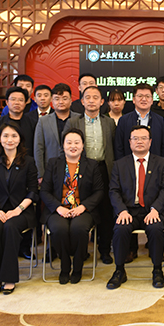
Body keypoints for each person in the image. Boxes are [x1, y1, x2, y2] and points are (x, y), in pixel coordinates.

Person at [107, 126, 164, 290]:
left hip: (152, 210)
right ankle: (119, 270)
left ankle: (157, 269)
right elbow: (114, 190)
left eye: (143, 138)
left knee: (156, 228)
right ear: (130, 142)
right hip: (128, 210)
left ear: (150, 142)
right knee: (120, 228)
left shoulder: (162, 163)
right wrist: (122, 210)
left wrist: (156, 209)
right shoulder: (119, 164)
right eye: (135, 138)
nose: (139, 141)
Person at [40, 128, 104, 284]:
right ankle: (64, 265)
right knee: (59, 229)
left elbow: (99, 191)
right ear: (63, 145)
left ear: (83, 145)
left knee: (79, 228)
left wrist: (83, 207)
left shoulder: (92, 165)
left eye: (77, 142)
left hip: (83, 209)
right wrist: (58, 207)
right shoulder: (53, 163)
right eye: (69, 142)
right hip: (58, 209)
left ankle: (77, 267)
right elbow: (44, 191)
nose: (73, 146)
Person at [0, 122, 38, 294]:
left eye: (14, 136)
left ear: (20, 139)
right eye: (5, 136)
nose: (10, 139)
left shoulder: (28, 161)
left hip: (21, 210)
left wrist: (17, 210)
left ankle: (9, 277)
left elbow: (33, 191)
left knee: (10, 227)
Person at [64, 85, 117, 264]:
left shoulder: (109, 122)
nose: (92, 101)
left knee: (106, 211)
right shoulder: (73, 122)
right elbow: (65, 147)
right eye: (88, 97)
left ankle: (104, 250)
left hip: (104, 169)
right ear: (82, 101)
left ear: (102, 102)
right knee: (82, 208)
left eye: (96, 97)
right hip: (82, 170)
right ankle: (81, 249)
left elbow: (114, 148)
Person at [34, 83, 79, 182]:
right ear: (52, 100)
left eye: (64, 98)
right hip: (50, 170)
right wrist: (40, 174)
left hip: (76, 170)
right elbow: (38, 148)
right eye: (57, 99)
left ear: (71, 100)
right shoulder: (43, 121)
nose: (61, 102)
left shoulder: (79, 119)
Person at [114, 83, 164, 159]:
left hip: (155, 164)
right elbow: (118, 147)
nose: (144, 99)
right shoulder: (124, 120)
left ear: (152, 100)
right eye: (140, 96)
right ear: (134, 99)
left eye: (147, 96)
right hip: (129, 164)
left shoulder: (160, 121)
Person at [0, 87, 37, 158]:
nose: (17, 103)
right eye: (13, 99)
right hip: (2, 162)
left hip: (28, 162)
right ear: (7, 102)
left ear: (25, 103)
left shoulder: (33, 123)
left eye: (21, 100)